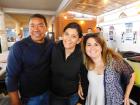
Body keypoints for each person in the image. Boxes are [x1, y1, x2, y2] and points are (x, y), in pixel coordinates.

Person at [6, 14, 53, 105]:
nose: (36, 29)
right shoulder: (19, 47)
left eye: (40, 25)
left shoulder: (50, 44)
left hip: (48, 92)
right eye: (32, 25)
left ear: (46, 28)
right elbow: (11, 77)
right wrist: (15, 101)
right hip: (30, 98)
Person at [79, 33, 135, 105]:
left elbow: (132, 75)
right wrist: (80, 84)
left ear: (101, 47)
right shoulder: (86, 63)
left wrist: (127, 96)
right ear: (85, 47)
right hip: (92, 100)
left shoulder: (114, 61)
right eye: (89, 45)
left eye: (96, 44)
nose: (92, 48)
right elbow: (83, 78)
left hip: (113, 101)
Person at [50, 22, 85, 105]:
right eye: (67, 34)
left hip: (73, 96)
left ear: (79, 40)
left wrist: (80, 84)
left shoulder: (82, 55)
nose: (68, 39)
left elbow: (85, 74)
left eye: (73, 36)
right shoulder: (54, 49)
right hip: (55, 96)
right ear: (63, 35)